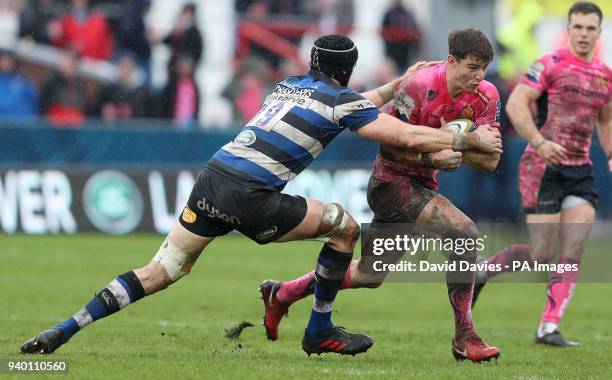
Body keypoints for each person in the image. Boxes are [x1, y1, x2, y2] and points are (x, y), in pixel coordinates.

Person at [20, 34, 501, 357]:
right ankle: (319, 331)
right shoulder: (342, 102)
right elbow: (407, 136)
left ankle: (64, 330)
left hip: (212, 179)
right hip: (252, 194)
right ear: (348, 72)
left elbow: (355, 105)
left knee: (160, 272)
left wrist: (396, 85)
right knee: (346, 227)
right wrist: (465, 140)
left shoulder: (289, 86)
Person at [259, 28, 503, 363]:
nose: (480, 76)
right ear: (451, 61)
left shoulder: (486, 97)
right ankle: (466, 337)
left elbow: (490, 160)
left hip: (422, 187)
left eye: (484, 68)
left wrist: (457, 144)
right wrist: (442, 152)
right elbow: (389, 146)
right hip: (390, 183)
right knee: (465, 236)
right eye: (472, 67)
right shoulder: (417, 87)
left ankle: (283, 292)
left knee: (369, 275)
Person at [471, 2, 612, 347]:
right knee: (540, 254)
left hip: (579, 168)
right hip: (542, 166)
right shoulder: (550, 64)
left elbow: (606, 118)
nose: (583, 34)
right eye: (577, 27)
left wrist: (610, 154)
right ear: (568, 28)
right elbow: (517, 104)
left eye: (589, 28)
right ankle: (481, 270)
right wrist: (539, 141)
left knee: (574, 246)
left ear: (599, 31)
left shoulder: (605, 75)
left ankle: (548, 327)